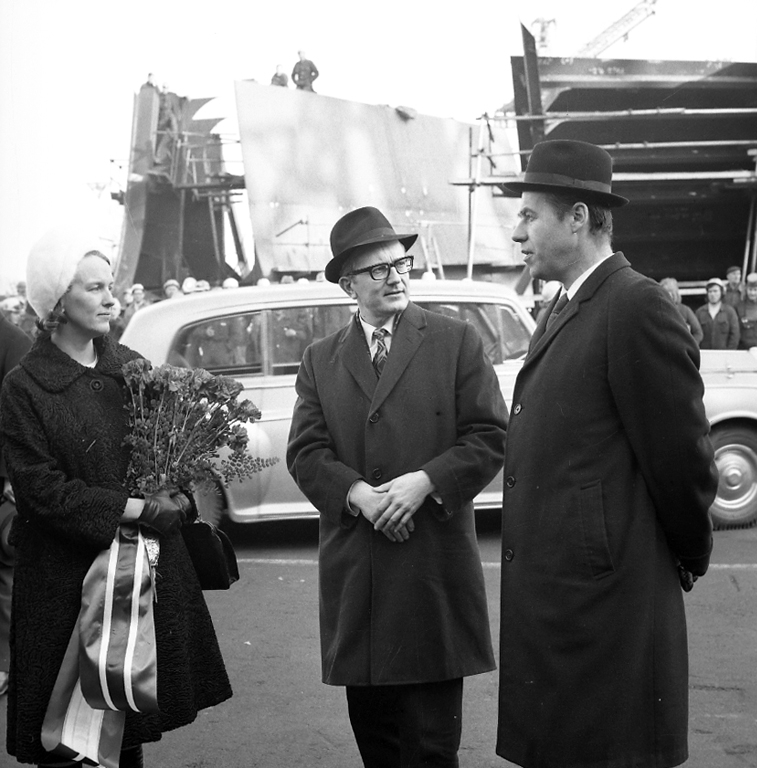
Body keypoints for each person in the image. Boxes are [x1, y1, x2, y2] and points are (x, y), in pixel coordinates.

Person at [498, 140, 717, 768]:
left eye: (529, 215)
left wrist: (689, 552)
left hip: (605, 605)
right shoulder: (564, 304)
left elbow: (681, 459)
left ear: (578, 218)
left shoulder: (635, 304)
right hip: (569, 599)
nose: (517, 232)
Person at [0, 226, 232, 767]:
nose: (112, 298)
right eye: (94, 288)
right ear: (57, 302)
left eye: (111, 285)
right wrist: (136, 510)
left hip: (140, 583)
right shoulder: (24, 387)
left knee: (124, 731)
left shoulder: (128, 365)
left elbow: (170, 446)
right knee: (71, 742)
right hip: (65, 589)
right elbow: (40, 490)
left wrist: (179, 496)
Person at [286, 206, 507, 768]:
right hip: (360, 578)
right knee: (379, 749)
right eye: (378, 269)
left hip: (432, 572)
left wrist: (426, 482)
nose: (395, 277)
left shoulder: (456, 341)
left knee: (431, 751)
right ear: (348, 285)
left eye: (400, 263)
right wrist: (358, 494)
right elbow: (306, 453)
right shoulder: (320, 359)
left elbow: (490, 435)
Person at [0, 313, 32, 698]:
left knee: (6, 567)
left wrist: (11, 475)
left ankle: (6, 663)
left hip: (4, 481)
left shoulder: (13, 340)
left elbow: (16, 416)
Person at [695, 277, 740, 349]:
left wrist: (729, 352)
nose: (712, 294)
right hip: (705, 353)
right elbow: (695, 334)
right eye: (710, 291)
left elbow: (735, 336)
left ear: (721, 292)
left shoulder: (729, 312)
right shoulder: (700, 312)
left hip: (724, 354)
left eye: (715, 291)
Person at [659, 276, 703, 344]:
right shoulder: (657, 310)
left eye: (670, 292)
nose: (667, 295)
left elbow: (698, 333)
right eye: (664, 292)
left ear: (675, 293)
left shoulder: (685, 310)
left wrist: (690, 346)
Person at [735, 272, 757, 352]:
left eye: (755, 290)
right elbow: (734, 328)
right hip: (742, 346)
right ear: (746, 290)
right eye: (750, 290)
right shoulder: (738, 307)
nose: (752, 293)